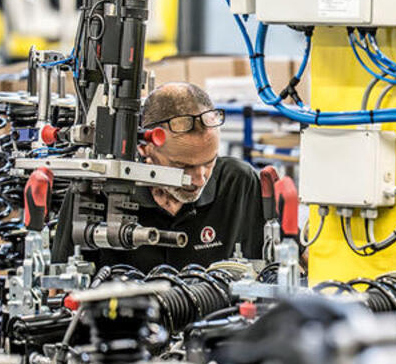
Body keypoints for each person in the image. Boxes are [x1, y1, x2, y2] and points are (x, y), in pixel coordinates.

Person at [52, 82, 265, 272]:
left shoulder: (239, 183)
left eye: (209, 162)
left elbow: (265, 276)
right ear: (145, 148)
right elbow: (61, 289)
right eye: (182, 166)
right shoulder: (96, 189)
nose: (200, 179)